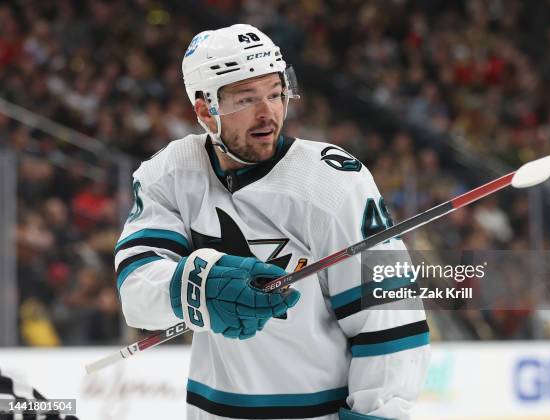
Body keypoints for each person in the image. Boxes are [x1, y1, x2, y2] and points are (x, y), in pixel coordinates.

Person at [115, 24, 430, 419]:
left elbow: (391, 314)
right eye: (246, 99)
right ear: (204, 110)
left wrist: (379, 414)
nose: (268, 113)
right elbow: (136, 294)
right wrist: (199, 286)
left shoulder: (336, 183)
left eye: (276, 94)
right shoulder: (170, 173)